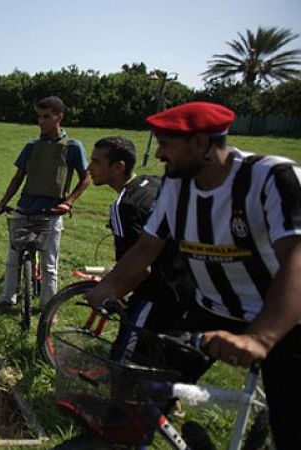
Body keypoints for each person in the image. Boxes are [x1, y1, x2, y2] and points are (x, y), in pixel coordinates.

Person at [86, 102, 301, 448]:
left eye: (166, 144)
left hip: (283, 320)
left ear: (200, 143)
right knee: (139, 390)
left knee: (291, 429)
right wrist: (110, 286)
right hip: (208, 312)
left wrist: (259, 339)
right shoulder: (177, 182)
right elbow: (146, 247)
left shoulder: (272, 178)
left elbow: (296, 262)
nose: (158, 155)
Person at [87, 137, 198, 371]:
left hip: (158, 292)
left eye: (96, 162)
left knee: (124, 363)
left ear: (118, 167)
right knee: (162, 361)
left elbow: (141, 267)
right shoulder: (153, 182)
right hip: (191, 284)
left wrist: (109, 295)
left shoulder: (123, 205)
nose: (89, 168)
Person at [0, 96, 91, 309]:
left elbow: (86, 177)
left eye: (46, 117)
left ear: (59, 117)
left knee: (49, 265)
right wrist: (3, 202)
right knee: (13, 259)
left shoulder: (72, 147)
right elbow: (19, 177)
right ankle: (8, 297)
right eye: (39, 117)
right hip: (24, 209)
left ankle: (48, 309)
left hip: (51, 213)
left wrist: (69, 202)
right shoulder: (31, 146)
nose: (41, 121)